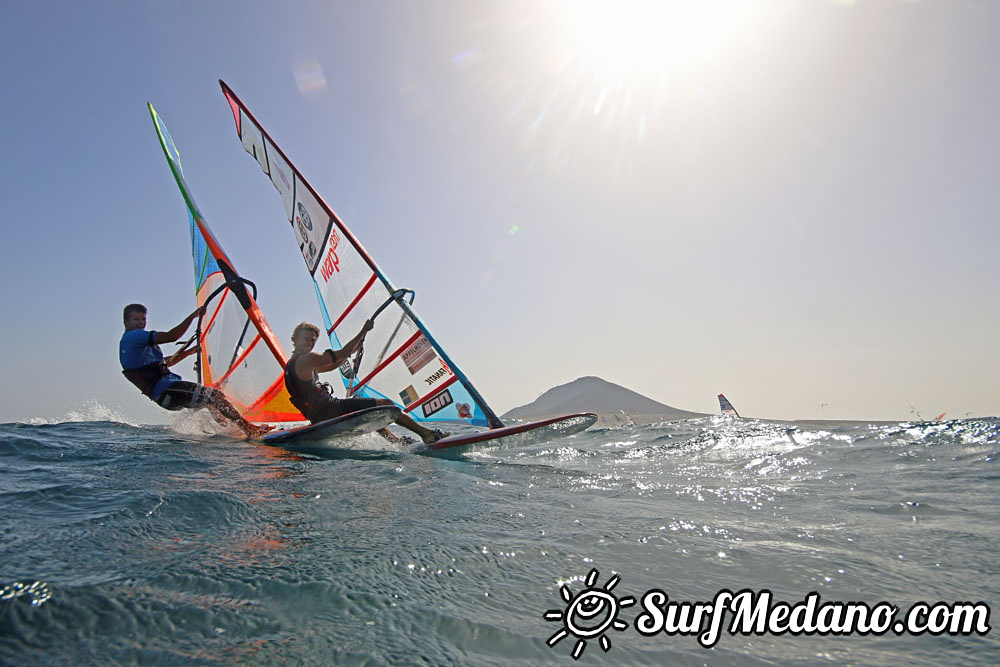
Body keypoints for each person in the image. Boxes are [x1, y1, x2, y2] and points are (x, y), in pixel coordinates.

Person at [119, 303, 270, 439]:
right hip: (167, 390)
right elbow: (172, 336)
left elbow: (165, 363)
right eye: (136, 319)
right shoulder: (134, 336)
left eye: (143, 319)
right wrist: (193, 316)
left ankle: (230, 430)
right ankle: (250, 429)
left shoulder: (133, 343)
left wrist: (189, 352)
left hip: (165, 395)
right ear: (126, 322)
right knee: (215, 396)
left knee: (211, 402)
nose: (141, 323)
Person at [284, 321, 449, 445]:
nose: (310, 343)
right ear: (295, 339)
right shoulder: (308, 359)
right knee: (386, 405)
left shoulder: (292, 364)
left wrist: (354, 349)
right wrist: (363, 331)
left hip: (317, 416)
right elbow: (342, 352)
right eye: (306, 339)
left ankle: (395, 440)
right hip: (330, 409)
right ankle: (426, 434)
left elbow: (333, 364)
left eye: (313, 340)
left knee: (369, 410)